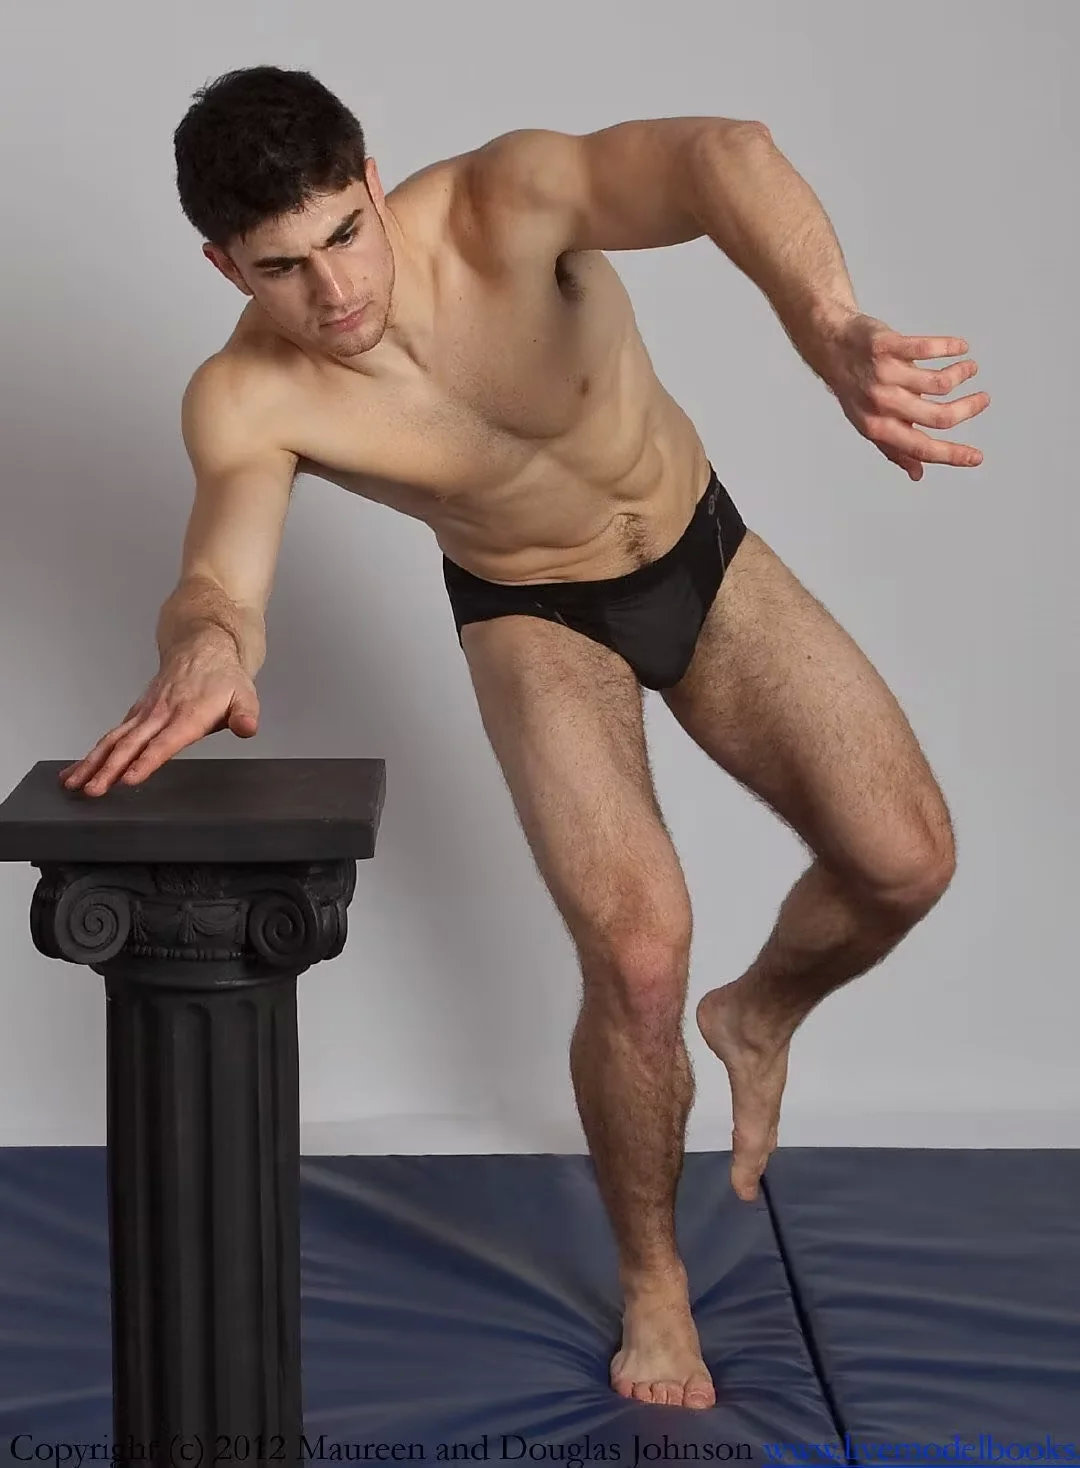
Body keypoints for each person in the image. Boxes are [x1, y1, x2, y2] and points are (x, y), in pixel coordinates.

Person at [59, 67, 989, 1410]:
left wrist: (829, 322)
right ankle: (655, 1283)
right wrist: (205, 641)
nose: (335, 291)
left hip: (697, 550)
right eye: (281, 269)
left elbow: (720, 154)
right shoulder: (247, 395)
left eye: (344, 234)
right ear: (224, 266)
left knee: (905, 860)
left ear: (373, 183)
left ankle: (760, 1014)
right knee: (639, 955)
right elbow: (221, 579)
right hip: (529, 611)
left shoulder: (506, 203)